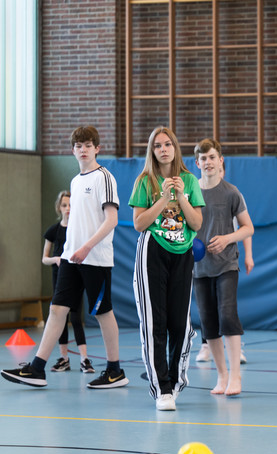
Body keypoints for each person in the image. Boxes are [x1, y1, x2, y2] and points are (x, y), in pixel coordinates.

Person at [2, 126, 128, 389]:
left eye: (87, 145)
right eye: (78, 146)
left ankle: (115, 370)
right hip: (71, 258)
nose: (83, 150)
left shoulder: (104, 178)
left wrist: (86, 247)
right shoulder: (75, 181)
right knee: (57, 310)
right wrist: (71, 251)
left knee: (103, 313)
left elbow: (111, 220)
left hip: (95, 260)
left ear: (97, 148)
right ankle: (37, 368)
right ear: (72, 150)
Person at [129, 126, 205, 411]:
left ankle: (173, 382)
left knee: (179, 325)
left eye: (168, 144)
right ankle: (161, 388)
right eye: (157, 145)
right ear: (152, 151)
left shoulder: (189, 180)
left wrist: (181, 196)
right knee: (155, 323)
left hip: (183, 254)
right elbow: (138, 223)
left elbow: (196, 224)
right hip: (152, 251)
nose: (163, 149)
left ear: (175, 147)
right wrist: (163, 197)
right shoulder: (144, 181)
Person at [193, 138, 254, 395]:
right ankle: (222, 376)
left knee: (227, 315)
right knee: (208, 323)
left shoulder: (231, 192)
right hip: (199, 269)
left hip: (227, 264)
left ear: (221, 161)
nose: (208, 162)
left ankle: (236, 378)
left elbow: (248, 227)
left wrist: (228, 239)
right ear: (197, 163)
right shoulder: (190, 193)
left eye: (212, 157)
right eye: (203, 158)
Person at [42, 190, 92, 373]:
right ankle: (64, 358)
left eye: (71, 205)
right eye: (64, 205)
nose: (68, 209)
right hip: (59, 278)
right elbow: (44, 258)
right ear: (59, 208)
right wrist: (55, 259)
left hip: (75, 277)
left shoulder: (79, 231)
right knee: (60, 317)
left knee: (76, 317)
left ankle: (85, 359)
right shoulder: (53, 231)